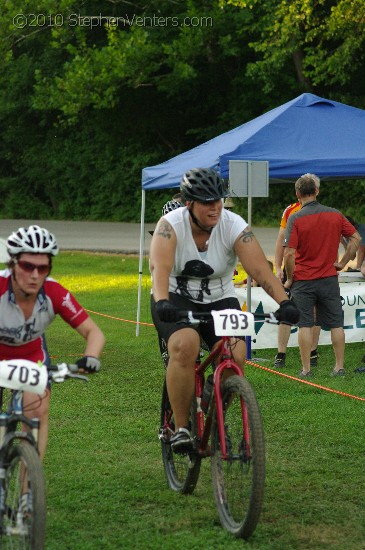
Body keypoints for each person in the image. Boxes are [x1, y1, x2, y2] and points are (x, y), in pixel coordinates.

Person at [150, 168, 300, 452]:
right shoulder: (169, 226)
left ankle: (211, 401)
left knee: (236, 354)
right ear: (189, 204)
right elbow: (160, 269)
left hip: (219, 297)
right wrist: (162, 302)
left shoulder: (234, 226)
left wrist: (285, 302)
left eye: (218, 200)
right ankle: (181, 427)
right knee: (185, 344)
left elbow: (261, 271)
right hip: (173, 296)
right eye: (207, 202)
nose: (215, 207)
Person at [0, 225, 105, 461]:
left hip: (30, 357)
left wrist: (91, 357)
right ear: (13, 264)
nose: (35, 275)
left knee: (37, 410)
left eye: (43, 267)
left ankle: (28, 491)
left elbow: (93, 333)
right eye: (28, 266)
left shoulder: (54, 292)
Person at [283, 174, 361, 377]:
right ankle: (339, 367)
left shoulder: (295, 218)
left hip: (303, 280)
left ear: (297, 194)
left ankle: (306, 369)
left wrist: (290, 278)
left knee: (305, 324)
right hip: (329, 278)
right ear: (317, 191)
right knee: (336, 323)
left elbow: (289, 253)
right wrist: (343, 263)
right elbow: (355, 238)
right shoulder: (335, 214)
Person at [274, 179, 321, 369]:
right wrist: (278, 267)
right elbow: (280, 241)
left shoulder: (323, 211)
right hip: (292, 266)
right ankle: (281, 353)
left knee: (314, 311)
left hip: (313, 267)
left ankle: (313, 351)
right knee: (287, 309)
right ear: (316, 191)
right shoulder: (290, 211)